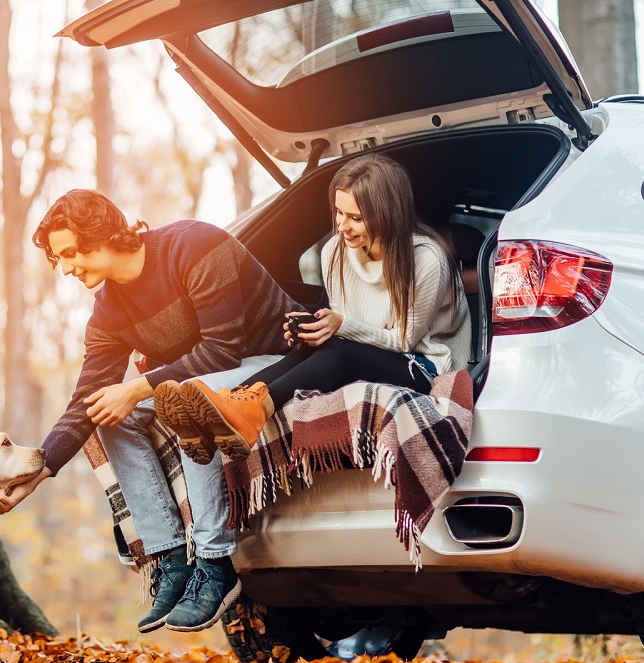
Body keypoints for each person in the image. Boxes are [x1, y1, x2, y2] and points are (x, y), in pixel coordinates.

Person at [0, 189, 296, 633]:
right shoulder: (108, 310)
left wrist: (134, 387)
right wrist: (33, 476)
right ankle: (171, 558)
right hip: (202, 379)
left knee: (181, 396)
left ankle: (214, 563)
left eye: (70, 253)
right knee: (109, 414)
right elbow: (85, 403)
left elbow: (223, 351)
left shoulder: (195, 246)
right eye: (60, 259)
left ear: (101, 234)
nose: (66, 268)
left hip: (278, 360)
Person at [156, 153, 471, 461]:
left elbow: (404, 340)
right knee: (312, 346)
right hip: (367, 352)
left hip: (424, 365)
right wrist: (315, 329)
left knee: (341, 350)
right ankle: (226, 409)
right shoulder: (334, 251)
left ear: (388, 214)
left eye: (356, 218)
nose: (342, 225)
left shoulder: (427, 259)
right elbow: (347, 329)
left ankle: (254, 410)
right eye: (339, 212)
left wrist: (340, 325)